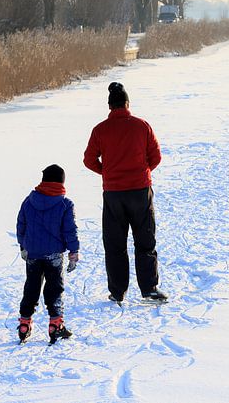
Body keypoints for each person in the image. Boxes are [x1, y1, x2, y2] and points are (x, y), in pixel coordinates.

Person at [83, 82, 166, 304]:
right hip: (140, 191)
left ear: (110, 106)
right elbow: (156, 156)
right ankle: (149, 288)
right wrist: (141, 172)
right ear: (127, 103)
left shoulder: (100, 130)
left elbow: (89, 160)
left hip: (113, 194)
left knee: (115, 243)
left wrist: (107, 173)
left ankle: (118, 291)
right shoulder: (142, 126)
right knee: (145, 240)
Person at [15, 164, 80, 343]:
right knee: (54, 289)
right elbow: (70, 231)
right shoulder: (65, 204)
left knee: (31, 287)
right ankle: (55, 324)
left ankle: (24, 324)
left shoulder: (29, 201)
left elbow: (21, 224)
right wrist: (73, 251)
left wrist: (23, 245)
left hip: (33, 254)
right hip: (53, 255)